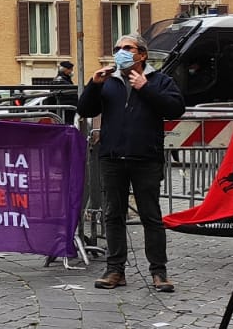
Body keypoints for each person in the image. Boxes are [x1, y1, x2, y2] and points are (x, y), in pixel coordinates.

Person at [76, 32, 185, 291]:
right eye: (117, 48)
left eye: (127, 48)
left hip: (145, 158)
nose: (121, 52)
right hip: (112, 158)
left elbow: (175, 109)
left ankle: (159, 272)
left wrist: (145, 88)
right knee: (113, 215)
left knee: (151, 216)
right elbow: (85, 110)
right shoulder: (108, 81)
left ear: (142, 55)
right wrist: (93, 85)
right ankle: (115, 270)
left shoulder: (159, 80)